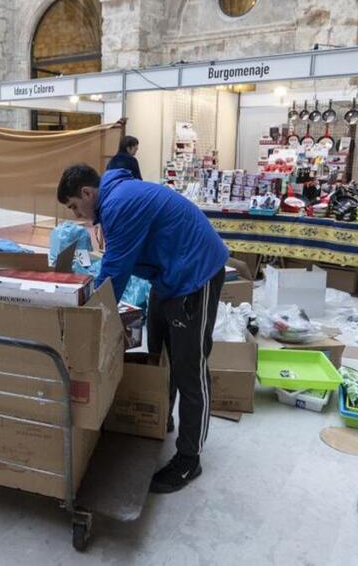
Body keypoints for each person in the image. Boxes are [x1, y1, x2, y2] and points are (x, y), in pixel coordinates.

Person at [56, 164, 228, 494]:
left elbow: (115, 273)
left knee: (189, 368)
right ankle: (163, 417)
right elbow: (115, 264)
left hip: (195, 273)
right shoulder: (115, 199)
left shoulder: (119, 203)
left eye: (76, 207)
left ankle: (190, 459)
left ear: (88, 193)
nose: (79, 215)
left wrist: (90, 321)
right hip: (168, 274)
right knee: (159, 350)